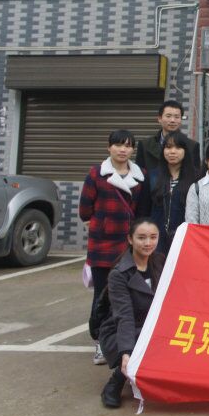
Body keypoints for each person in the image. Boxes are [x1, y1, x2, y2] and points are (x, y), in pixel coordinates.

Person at [80, 129, 145, 366]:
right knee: (102, 295)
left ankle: (122, 340)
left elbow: (140, 211)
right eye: (118, 145)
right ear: (109, 148)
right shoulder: (96, 174)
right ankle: (100, 341)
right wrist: (102, 224)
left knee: (126, 294)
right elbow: (85, 209)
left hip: (128, 245)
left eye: (127, 146)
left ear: (132, 149)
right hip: (102, 245)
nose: (122, 150)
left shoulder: (140, 176)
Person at [97, 218, 164, 408]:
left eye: (153, 237)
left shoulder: (160, 261)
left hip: (150, 325)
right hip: (120, 330)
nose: (148, 243)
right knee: (141, 345)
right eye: (141, 238)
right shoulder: (118, 274)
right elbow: (124, 316)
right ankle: (115, 382)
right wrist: (126, 352)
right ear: (130, 239)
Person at [139, 131, 198, 255]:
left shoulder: (195, 178)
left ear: (185, 151)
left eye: (178, 147)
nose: (172, 152)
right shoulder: (153, 176)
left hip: (184, 239)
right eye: (168, 147)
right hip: (155, 240)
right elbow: (143, 209)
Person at [135, 100, 200, 173]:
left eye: (177, 117)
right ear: (159, 119)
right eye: (168, 116)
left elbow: (196, 174)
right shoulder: (144, 145)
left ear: (181, 119)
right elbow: (139, 174)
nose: (172, 120)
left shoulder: (192, 145)